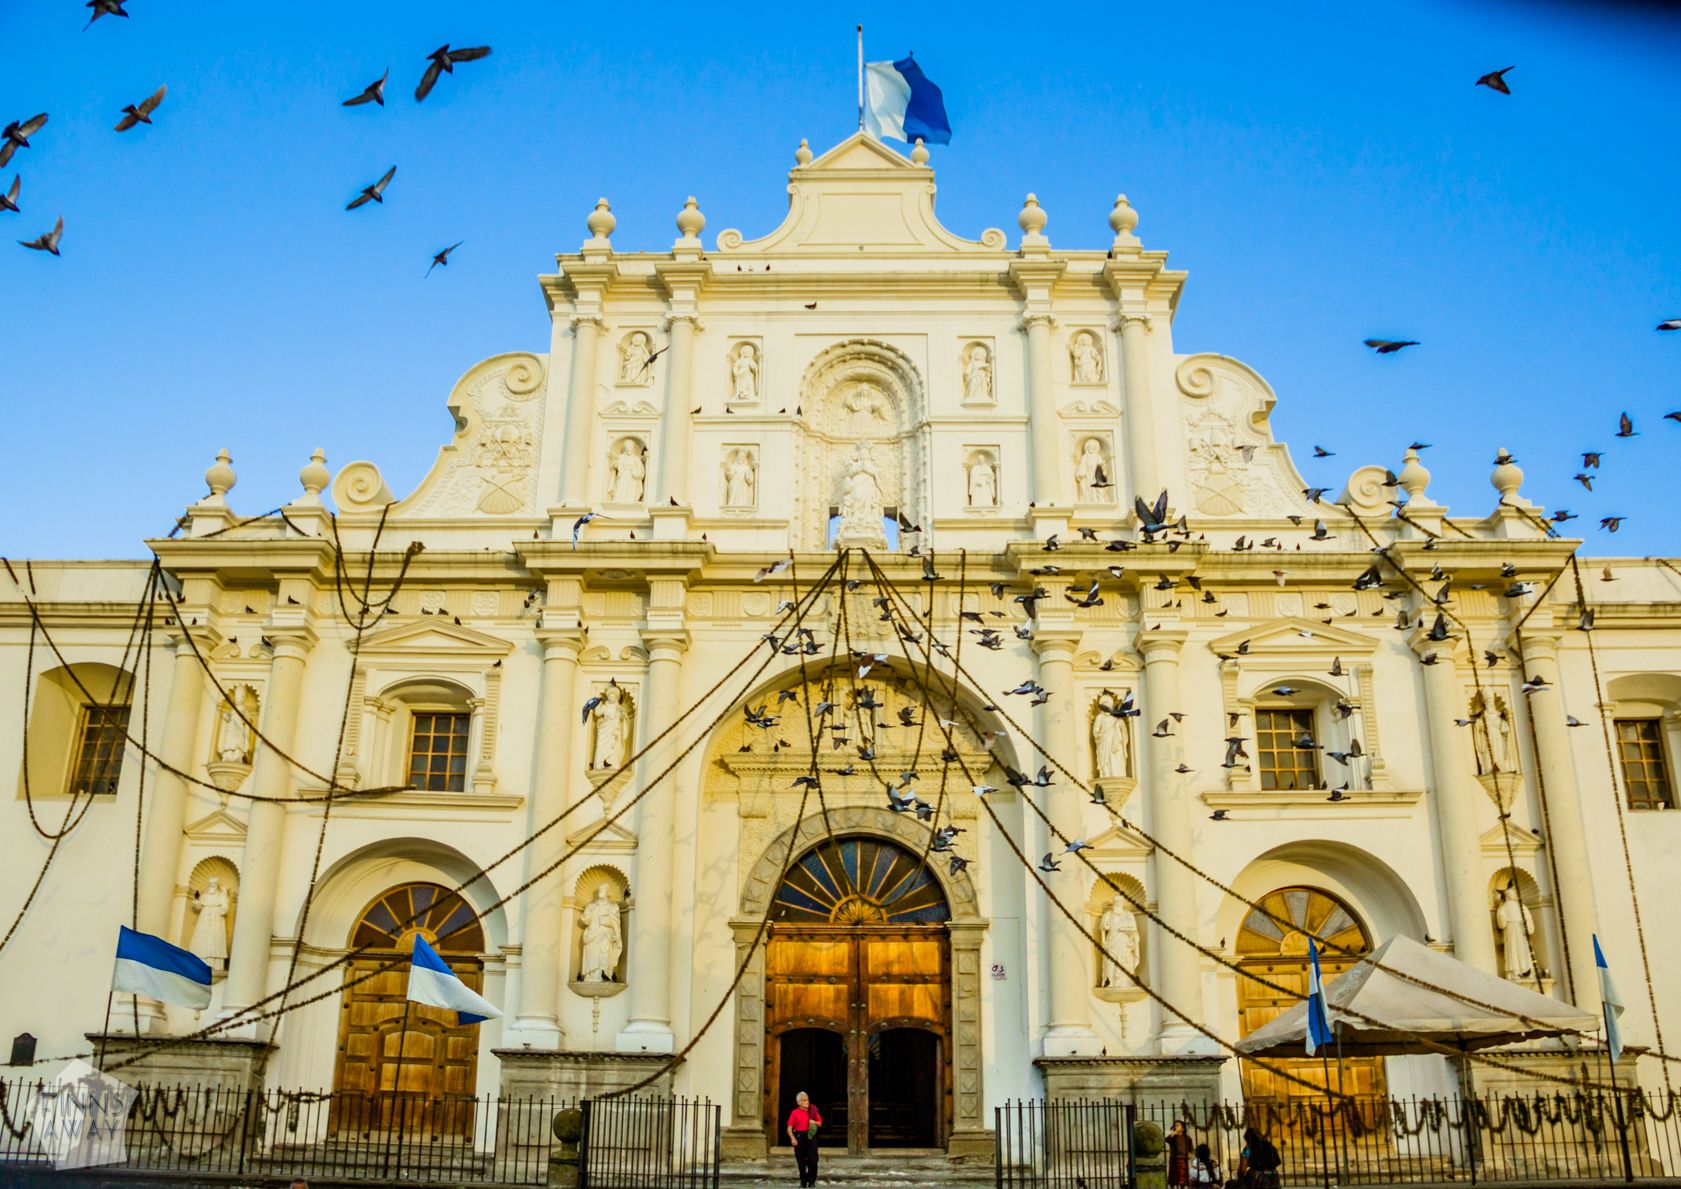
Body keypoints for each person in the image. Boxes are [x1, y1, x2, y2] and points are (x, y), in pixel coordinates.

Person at [786, 1090, 822, 1187]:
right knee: (801, 1161)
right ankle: (803, 1182)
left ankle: (812, 1182)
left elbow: (820, 1123)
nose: (807, 1102)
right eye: (804, 1100)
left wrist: (813, 1122)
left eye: (807, 1100)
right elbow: (789, 1128)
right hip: (799, 1137)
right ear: (799, 1102)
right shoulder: (794, 1112)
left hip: (811, 1137)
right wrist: (792, 1139)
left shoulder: (813, 1110)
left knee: (813, 1160)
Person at [1166, 1120, 1193, 1186]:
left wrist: (1190, 1153)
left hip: (1183, 1158)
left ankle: (1182, 1187)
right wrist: (1172, 1134)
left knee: (1182, 1175)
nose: (1176, 1127)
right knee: (1173, 1175)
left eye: (1178, 1125)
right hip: (1174, 1158)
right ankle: (1172, 1186)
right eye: (1175, 1125)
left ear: (1183, 1129)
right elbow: (1167, 1140)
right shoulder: (1173, 1137)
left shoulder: (1187, 1138)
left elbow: (1190, 1147)